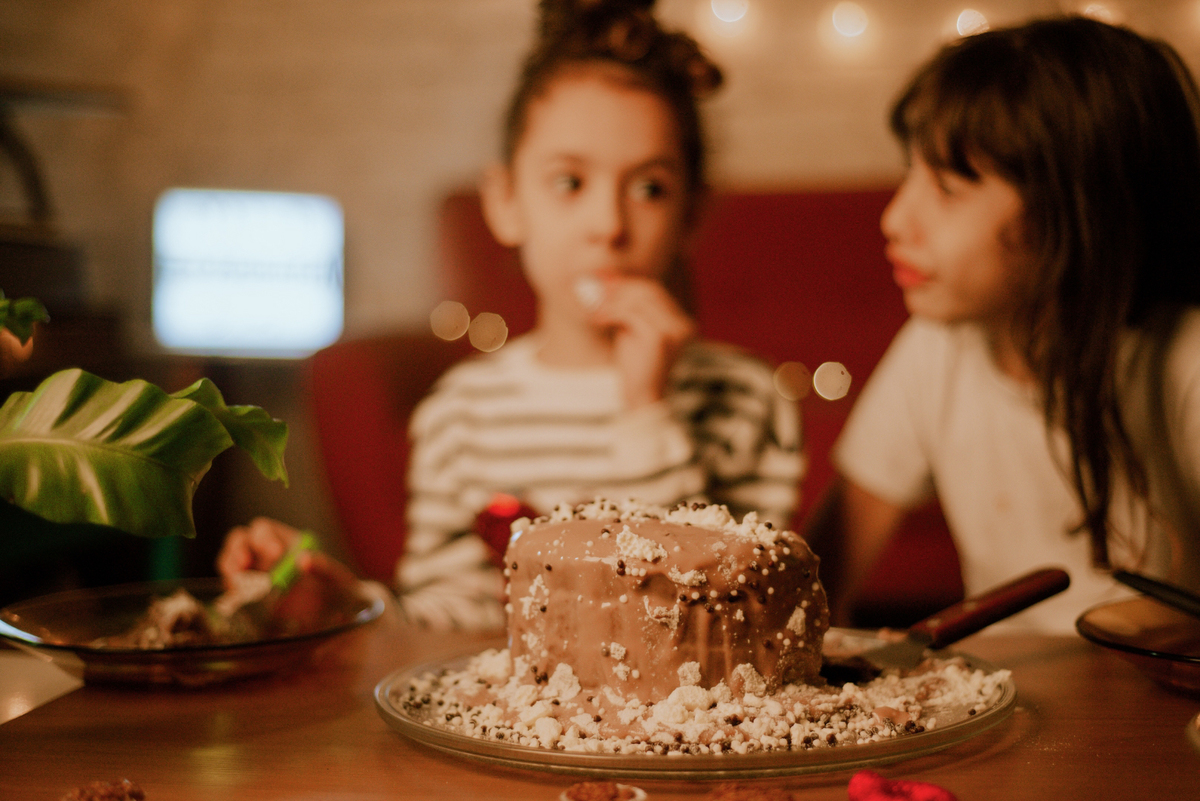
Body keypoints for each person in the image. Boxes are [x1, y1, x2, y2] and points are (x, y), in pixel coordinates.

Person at [220, 0, 802, 630]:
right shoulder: (461, 418)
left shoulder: (746, 400)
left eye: (649, 187)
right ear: (505, 203)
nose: (608, 225)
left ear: (691, 213)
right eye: (569, 182)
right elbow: (448, 623)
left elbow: (737, 619)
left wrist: (646, 410)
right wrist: (345, 604)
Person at [807, 15, 1200, 633]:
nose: (894, 218)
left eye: (947, 187)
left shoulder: (1184, 362)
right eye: (909, 173)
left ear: (1078, 209)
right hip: (1008, 710)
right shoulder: (936, 349)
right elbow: (822, 583)